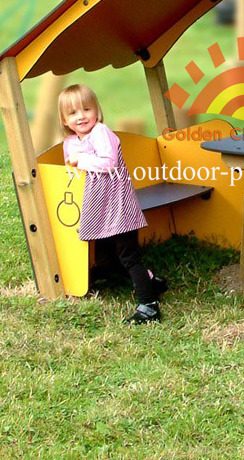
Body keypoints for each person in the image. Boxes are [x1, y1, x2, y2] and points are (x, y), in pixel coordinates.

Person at [58, 84, 166, 324]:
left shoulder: (101, 132)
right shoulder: (71, 142)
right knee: (106, 256)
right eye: (73, 113)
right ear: (64, 120)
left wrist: (81, 159)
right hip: (97, 206)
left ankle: (149, 305)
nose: (81, 116)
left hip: (117, 204)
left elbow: (109, 163)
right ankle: (152, 281)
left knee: (128, 255)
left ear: (96, 111)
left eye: (86, 109)